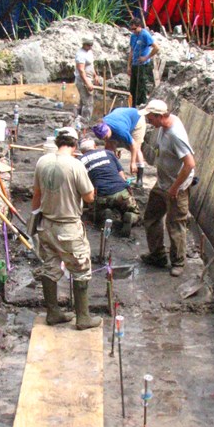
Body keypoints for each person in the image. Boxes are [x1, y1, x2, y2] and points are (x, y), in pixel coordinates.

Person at [31, 126, 102, 330]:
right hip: (68, 227)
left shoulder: (42, 161)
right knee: (80, 270)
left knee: (50, 267)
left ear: (57, 142)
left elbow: (36, 195)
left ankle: (53, 312)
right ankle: (83, 318)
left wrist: (35, 222)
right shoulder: (75, 165)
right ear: (74, 144)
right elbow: (89, 197)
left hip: (46, 224)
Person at [139, 99, 195, 278]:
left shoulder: (175, 135)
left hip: (175, 187)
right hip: (163, 182)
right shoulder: (166, 124)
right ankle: (157, 255)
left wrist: (175, 188)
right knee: (152, 216)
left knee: (175, 224)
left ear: (161, 116)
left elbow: (189, 164)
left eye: (150, 118)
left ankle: (178, 262)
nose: (148, 121)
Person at [78, 138, 140, 236]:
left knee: (93, 212)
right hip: (121, 192)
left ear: (81, 151)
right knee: (134, 212)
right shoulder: (108, 153)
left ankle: (104, 214)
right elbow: (122, 176)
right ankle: (130, 216)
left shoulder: (79, 161)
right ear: (95, 146)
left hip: (102, 196)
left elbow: (84, 185)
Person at [92, 106, 146, 177]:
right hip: (121, 116)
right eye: (103, 139)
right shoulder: (102, 126)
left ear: (108, 130)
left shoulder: (120, 130)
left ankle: (140, 178)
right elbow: (109, 143)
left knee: (137, 149)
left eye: (106, 137)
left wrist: (132, 163)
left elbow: (133, 145)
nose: (105, 139)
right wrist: (114, 151)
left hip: (137, 119)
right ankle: (111, 171)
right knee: (108, 148)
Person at [128, 17, 159, 108]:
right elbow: (132, 51)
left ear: (139, 26)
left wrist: (146, 57)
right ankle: (132, 105)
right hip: (135, 64)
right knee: (133, 87)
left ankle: (142, 105)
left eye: (135, 29)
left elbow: (156, 48)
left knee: (141, 86)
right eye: (132, 29)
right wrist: (128, 66)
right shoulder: (133, 36)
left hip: (143, 65)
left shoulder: (145, 35)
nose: (133, 31)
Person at [74, 35, 100, 124]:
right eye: (88, 45)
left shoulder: (89, 52)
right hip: (83, 81)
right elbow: (81, 70)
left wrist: (95, 75)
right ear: (84, 44)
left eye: (91, 45)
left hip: (89, 79)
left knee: (83, 101)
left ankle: (78, 120)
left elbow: (91, 65)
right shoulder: (80, 55)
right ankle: (85, 123)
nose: (90, 47)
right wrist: (87, 83)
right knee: (88, 103)